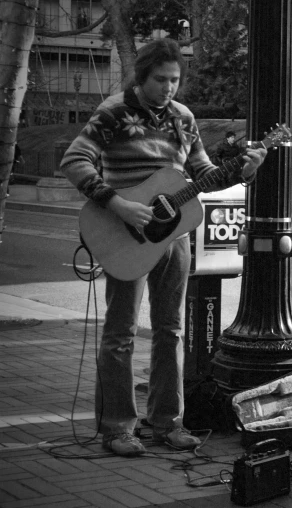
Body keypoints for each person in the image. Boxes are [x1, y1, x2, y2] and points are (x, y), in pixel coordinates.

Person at [60, 38, 266, 457]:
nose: (168, 87)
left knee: (171, 331)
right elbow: (74, 160)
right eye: (160, 80)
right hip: (125, 234)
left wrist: (244, 172)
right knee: (120, 334)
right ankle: (118, 428)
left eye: (174, 80)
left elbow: (203, 173)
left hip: (175, 238)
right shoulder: (115, 112)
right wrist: (118, 204)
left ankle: (167, 423)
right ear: (142, 76)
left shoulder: (183, 118)